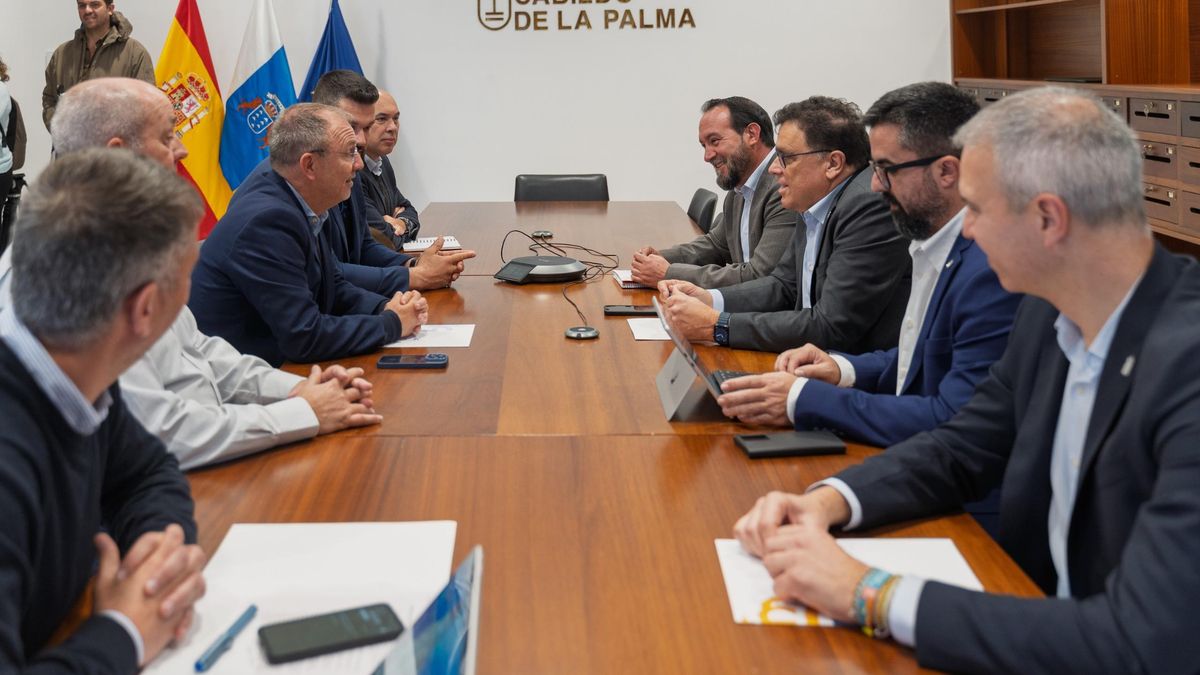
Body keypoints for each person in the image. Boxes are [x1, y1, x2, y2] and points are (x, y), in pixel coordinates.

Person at [733, 87, 1200, 674]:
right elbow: (963, 445)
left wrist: (870, 593)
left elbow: (1140, 642)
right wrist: (828, 502)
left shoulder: (1185, 369)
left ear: (1048, 219)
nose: (968, 233)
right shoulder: (1049, 312)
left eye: (977, 209)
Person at [0, 77, 384, 470]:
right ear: (117, 155)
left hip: (209, 454)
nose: (183, 151)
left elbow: (203, 353)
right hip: (183, 471)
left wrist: (299, 388)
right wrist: (303, 412)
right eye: (168, 137)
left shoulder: (126, 243)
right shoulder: (66, 270)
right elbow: (161, 433)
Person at [716, 82, 1020, 448]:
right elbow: (915, 360)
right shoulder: (935, 244)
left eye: (887, 169)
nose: (875, 185)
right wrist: (842, 370)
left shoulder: (990, 268)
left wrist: (803, 399)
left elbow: (953, 419)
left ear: (946, 172)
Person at [0, 148, 207, 672]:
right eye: (188, 278)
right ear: (143, 309)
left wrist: (155, 556)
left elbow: (147, 472)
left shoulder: (75, 374)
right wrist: (125, 632)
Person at [660, 96, 911, 354]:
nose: (774, 169)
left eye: (786, 158)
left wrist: (717, 325)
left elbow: (831, 325)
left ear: (833, 164)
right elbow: (783, 286)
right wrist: (711, 299)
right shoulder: (812, 199)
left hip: (854, 376)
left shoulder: (869, 208)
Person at [189, 103, 428, 366]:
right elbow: (304, 336)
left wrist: (386, 307)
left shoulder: (299, 200)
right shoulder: (267, 221)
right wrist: (391, 324)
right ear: (310, 165)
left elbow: (334, 288)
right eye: (350, 153)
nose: (359, 164)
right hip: (239, 384)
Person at [311, 70, 475, 293]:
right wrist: (413, 277)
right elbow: (331, 273)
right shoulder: (292, 195)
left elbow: (365, 245)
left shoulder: (356, 164)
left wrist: (413, 265)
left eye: (366, 127)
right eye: (352, 126)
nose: (361, 139)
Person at [631, 97, 793, 287]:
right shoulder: (740, 187)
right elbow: (716, 245)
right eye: (704, 145)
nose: (707, 156)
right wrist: (660, 258)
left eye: (714, 141)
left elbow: (760, 275)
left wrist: (668, 273)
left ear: (752, 134)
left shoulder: (784, 187)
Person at [41, 0, 154, 130]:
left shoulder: (135, 54)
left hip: (116, 148)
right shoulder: (62, 54)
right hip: (68, 148)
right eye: (82, 5)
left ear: (110, 8)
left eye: (95, 4)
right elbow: (49, 99)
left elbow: (147, 107)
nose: (87, 10)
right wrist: (61, 133)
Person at [361, 89, 422, 248]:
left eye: (396, 119)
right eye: (381, 119)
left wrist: (401, 223)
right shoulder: (353, 172)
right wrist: (391, 228)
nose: (392, 127)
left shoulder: (383, 162)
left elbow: (409, 209)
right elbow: (386, 240)